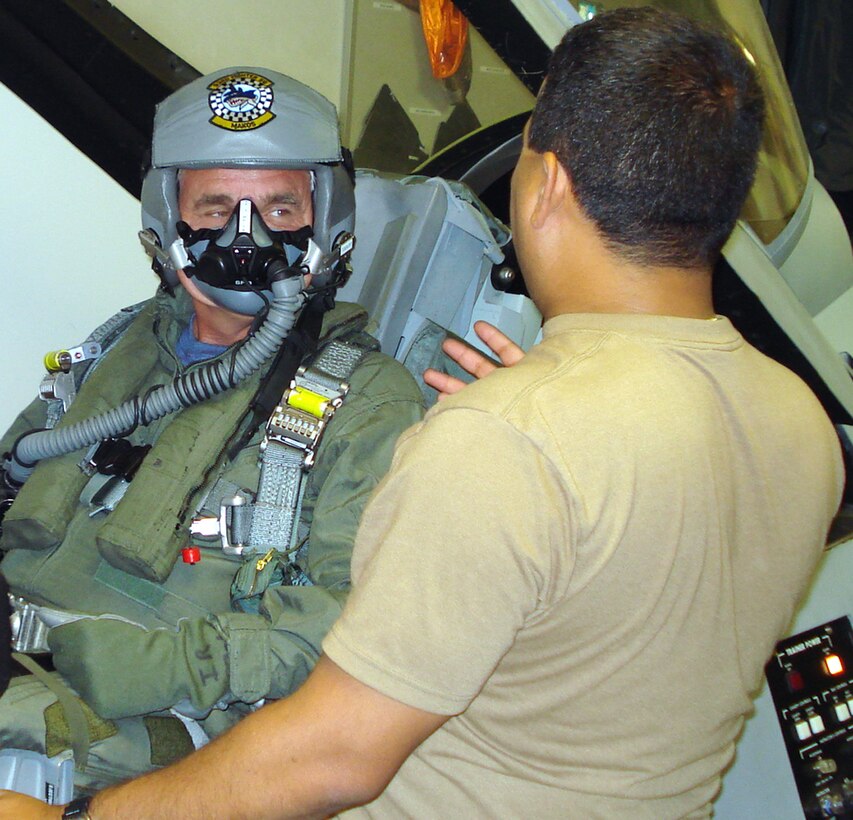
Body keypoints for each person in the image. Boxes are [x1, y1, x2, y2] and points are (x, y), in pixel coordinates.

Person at [1, 7, 846, 818]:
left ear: (543, 180)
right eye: (215, 206)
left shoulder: (502, 437)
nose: (247, 234)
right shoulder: (800, 424)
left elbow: (333, 756)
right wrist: (536, 427)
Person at [0, 67, 424, 796]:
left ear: (326, 221)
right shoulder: (119, 347)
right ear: (169, 219)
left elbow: (348, 634)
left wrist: (167, 667)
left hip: (134, 723)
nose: (246, 235)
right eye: (217, 205)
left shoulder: (369, 405)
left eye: (280, 208)